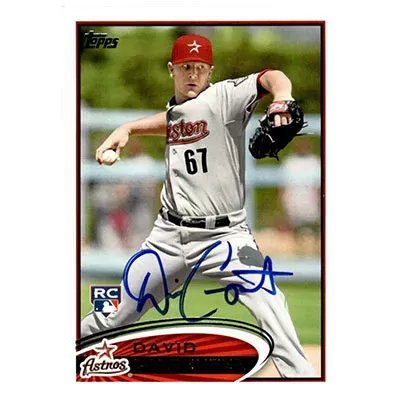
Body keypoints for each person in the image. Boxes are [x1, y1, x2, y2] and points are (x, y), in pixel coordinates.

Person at [81, 34, 317, 378]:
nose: (193, 74)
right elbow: (174, 120)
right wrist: (129, 128)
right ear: (172, 70)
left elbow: (271, 76)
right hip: (167, 238)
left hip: (226, 238)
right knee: (113, 314)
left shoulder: (225, 97)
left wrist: (283, 97)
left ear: (211, 71)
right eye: (186, 67)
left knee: (270, 305)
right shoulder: (178, 109)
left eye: (200, 67)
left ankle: (305, 380)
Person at [279, 137, 321, 246]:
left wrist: (317, 199)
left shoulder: (314, 161)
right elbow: (284, 183)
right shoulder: (290, 162)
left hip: (309, 199)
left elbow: (317, 185)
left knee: (312, 225)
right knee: (295, 226)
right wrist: (284, 198)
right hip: (294, 199)